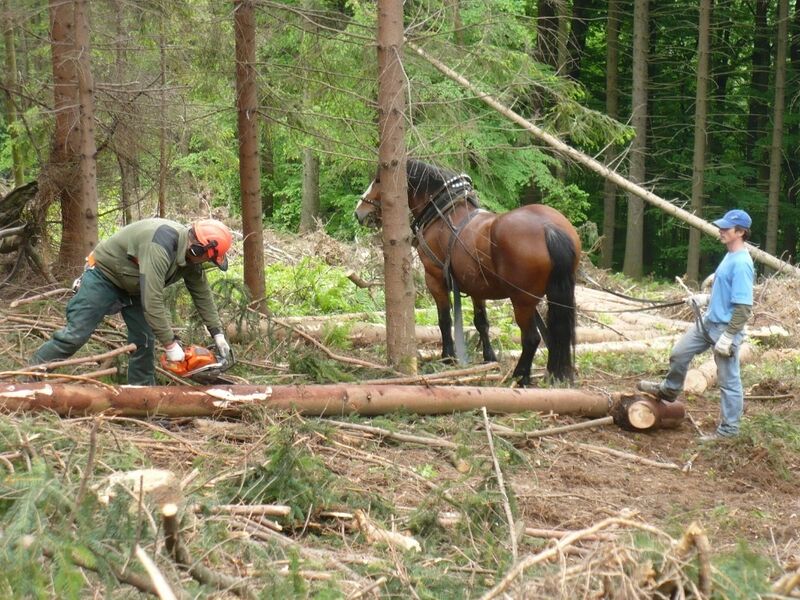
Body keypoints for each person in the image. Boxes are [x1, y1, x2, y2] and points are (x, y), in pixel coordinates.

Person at [29, 218, 233, 385]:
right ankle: (28, 377)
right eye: (208, 259)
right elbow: (152, 300)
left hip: (136, 286)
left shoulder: (191, 256)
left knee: (143, 342)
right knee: (75, 334)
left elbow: (202, 293)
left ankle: (142, 400)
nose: (206, 263)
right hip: (105, 276)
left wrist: (218, 334)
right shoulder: (161, 244)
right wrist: (171, 345)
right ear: (198, 249)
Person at [638, 209, 755, 440]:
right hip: (708, 322)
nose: (720, 231)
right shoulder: (730, 255)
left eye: (726, 228)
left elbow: (743, 307)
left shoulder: (742, 263)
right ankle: (669, 390)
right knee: (679, 353)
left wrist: (729, 336)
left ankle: (729, 431)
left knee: (728, 381)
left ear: (740, 232)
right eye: (720, 227)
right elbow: (727, 294)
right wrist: (705, 299)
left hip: (724, 328)